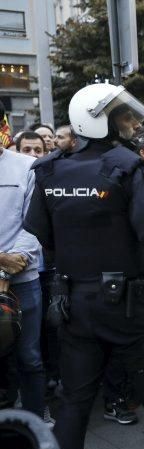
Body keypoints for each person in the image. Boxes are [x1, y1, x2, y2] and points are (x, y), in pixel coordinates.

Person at [23, 83, 144, 449]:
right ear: (99, 121)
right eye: (122, 116)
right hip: (130, 304)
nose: (131, 124)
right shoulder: (126, 166)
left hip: (74, 303)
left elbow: (41, 234)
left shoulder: (49, 169)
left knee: (74, 401)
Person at [0, 139, 46, 425]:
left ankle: (35, 420)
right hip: (11, 267)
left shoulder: (26, 166)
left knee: (30, 356)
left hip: (23, 277)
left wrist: (8, 265)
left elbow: (35, 221)